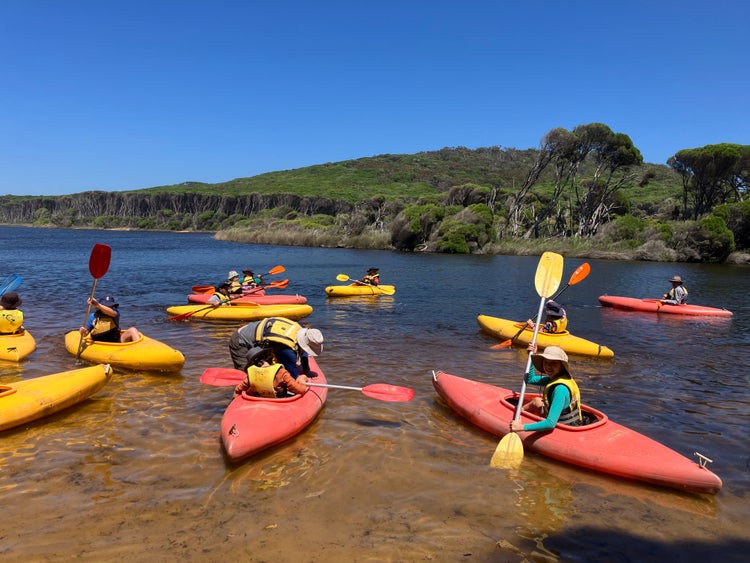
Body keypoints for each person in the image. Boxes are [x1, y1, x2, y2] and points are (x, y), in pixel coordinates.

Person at [510, 344, 583, 433]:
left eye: (554, 363)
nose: (548, 366)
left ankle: (518, 418)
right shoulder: (554, 379)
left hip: (564, 428)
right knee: (537, 401)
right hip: (563, 420)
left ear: (561, 366)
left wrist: (521, 427)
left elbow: (550, 424)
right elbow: (530, 379)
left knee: (538, 403)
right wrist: (531, 356)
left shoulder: (560, 389)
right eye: (546, 362)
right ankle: (520, 411)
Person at [229, 316, 324, 379]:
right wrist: (302, 378)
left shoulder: (300, 328)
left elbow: (304, 353)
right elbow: (294, 377)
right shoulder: (287, 350)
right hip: (240, 341)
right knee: (245, 375)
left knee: (269, 367)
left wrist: (306, 370)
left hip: (258, 337)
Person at [233, 347, 309, 399]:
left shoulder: (251, 375)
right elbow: (298, 389)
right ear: (269, 358)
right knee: (302, 377)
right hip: (279, 400)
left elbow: (238, 390)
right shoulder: (281, 372)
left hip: (260, 399)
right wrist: (303, 381)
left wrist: (235, 398)